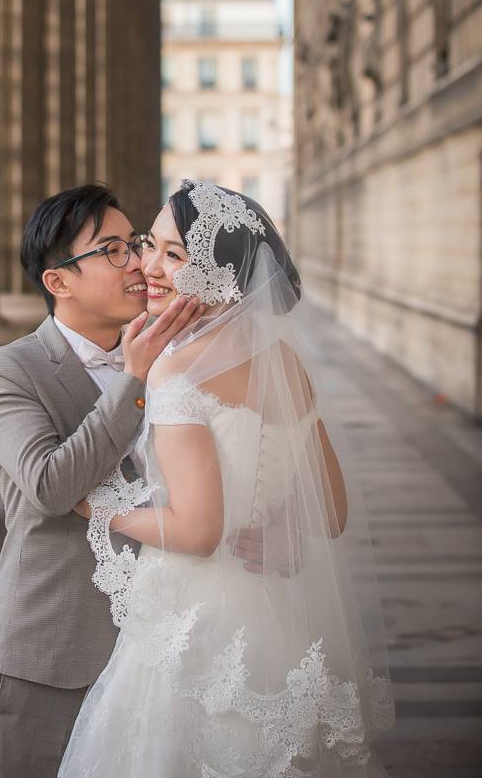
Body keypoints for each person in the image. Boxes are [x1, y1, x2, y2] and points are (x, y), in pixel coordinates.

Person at [59, 178, 395, 778]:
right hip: (272, 619)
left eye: (175, 254)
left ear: (218, 272)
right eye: (149, 244)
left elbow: (196, 531)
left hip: (200, 630)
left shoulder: (177, 372)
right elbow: (334, 509)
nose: (148, 266)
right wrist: (284, 530)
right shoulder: (284, 361)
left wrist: (99, 506)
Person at [0, 183, 205, 778]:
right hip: (51, 657)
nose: (138, 264)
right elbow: (50, 486)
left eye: (137, 244)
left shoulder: (179, 359)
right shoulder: (7, 370)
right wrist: (132, 379)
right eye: (113, 251)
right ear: (59, 282)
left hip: (161, 655)